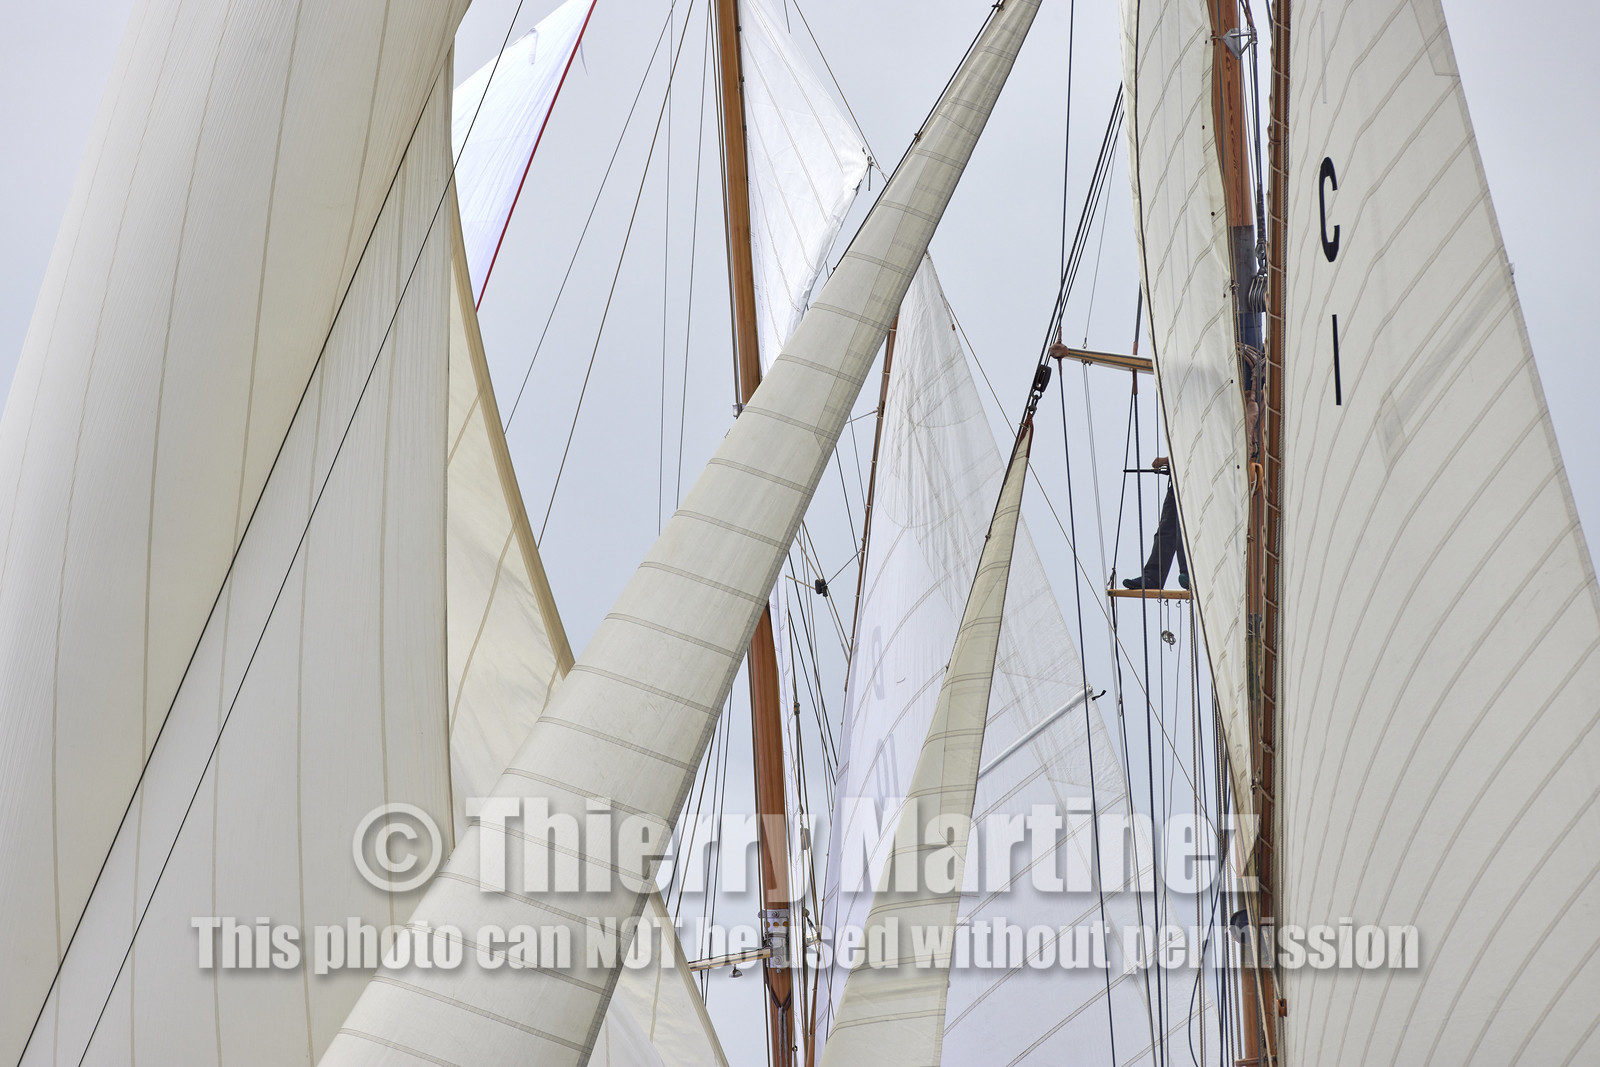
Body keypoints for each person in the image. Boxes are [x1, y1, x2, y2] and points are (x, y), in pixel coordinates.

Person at [1123, 456, 1189, 591]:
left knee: (1183, 528)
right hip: (1180, 480)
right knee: (1166, 530)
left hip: (1197, 481)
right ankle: (1152, 577)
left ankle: (1190, 573)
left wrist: (1168, 459)